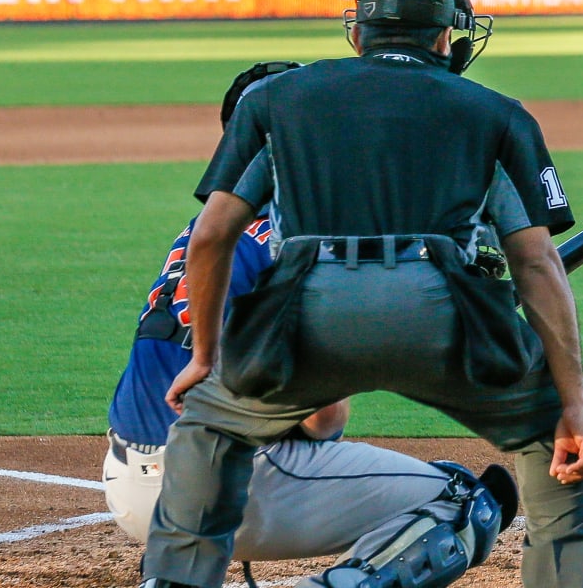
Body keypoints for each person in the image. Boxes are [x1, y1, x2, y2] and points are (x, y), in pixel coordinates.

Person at [137, 0, 583, 588]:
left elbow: (214, 233)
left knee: (210, 430)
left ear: (356, 33)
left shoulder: (278, 100)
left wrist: (205, 357)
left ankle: (175, 580)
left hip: (305, 317)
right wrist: (571, 405)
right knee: (555, 435)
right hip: (441, 314)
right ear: (446, 37)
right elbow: (536, 261)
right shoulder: (495, 111)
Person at [108, 62, 518, 586]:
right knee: (463, 498)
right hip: (234, 490)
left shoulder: (209, 227)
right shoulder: (308, 235)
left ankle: (174, 573)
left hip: (131, 488)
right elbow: (325, 422)